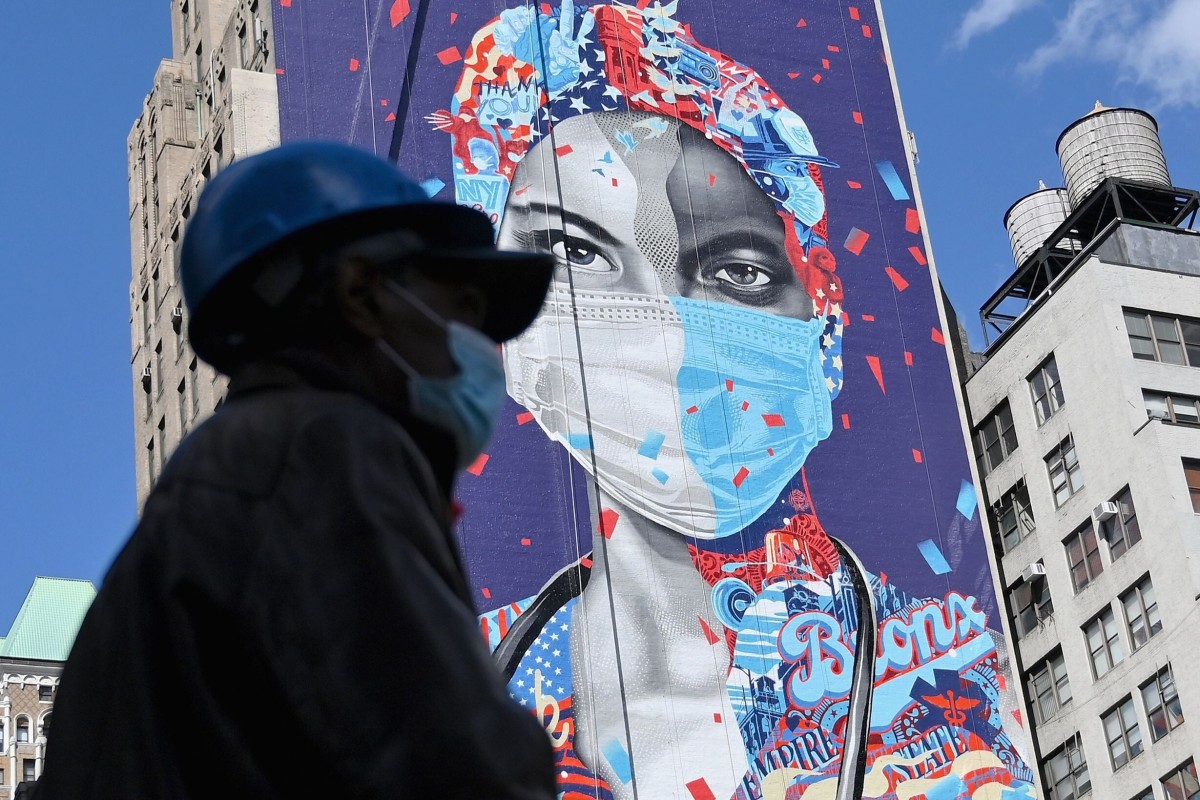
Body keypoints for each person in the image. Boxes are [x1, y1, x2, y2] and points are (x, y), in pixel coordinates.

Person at [435, 4, 1036, 800]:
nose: (667, 336)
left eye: (738, 270)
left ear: (821, 321)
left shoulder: (948, 677)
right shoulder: (438, 702)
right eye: (574, 252)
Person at [36, 141, 559, 799]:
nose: (486, 350)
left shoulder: (240, 469)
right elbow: (448, 762)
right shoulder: (319, 450)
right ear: (362, 294)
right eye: (465, 309)